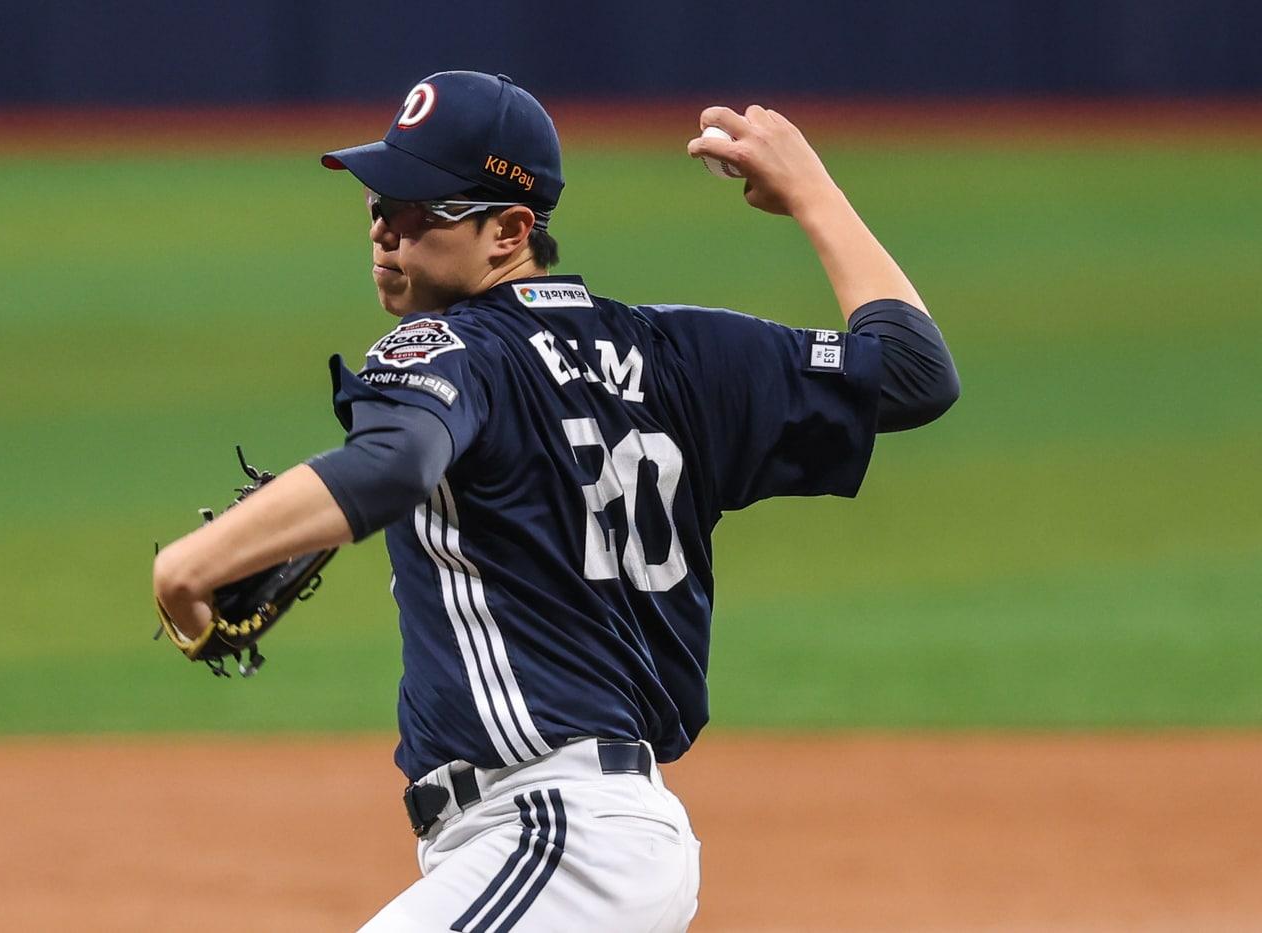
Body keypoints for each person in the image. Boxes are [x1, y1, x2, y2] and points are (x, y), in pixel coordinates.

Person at [152, 70, 959, 932]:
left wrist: (188, 566)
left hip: (558, 838)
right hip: (588, 842)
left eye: (420, 209)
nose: (385, 228)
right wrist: (812, 191)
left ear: (509, 230)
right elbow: (912, 370)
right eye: (378, 202)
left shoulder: (441, 347)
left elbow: (395, 463)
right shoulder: (682, 356)